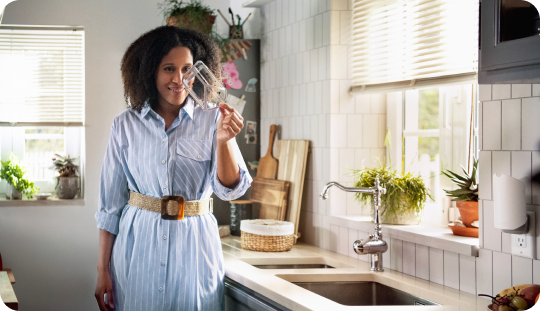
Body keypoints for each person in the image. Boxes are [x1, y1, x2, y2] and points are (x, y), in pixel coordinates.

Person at [94, 26, 252, 311]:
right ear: (149, 72)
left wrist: (224, 141)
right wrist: (102, 270)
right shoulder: (125, 125)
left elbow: (230, 190)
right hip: (137, 249)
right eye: (169, 68)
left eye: (187, 69)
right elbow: (110, 206)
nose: (179, 80)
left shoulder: (213, 119)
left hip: (195, 250)